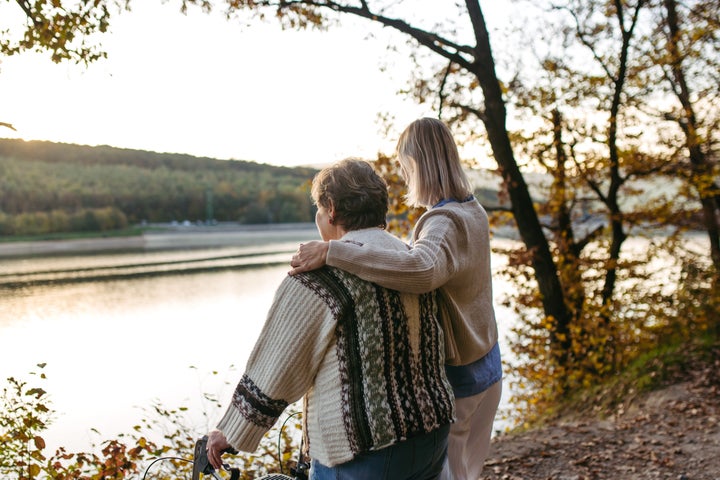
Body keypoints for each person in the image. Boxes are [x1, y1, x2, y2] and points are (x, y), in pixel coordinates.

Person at [206, 158, 456, 480]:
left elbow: (278, 367)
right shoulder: (410, 260)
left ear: (332, 210)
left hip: (367, 451)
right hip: (431, 434)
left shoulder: (318, 278)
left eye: (319, 209)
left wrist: (231, 431)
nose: (319, 217)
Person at [289, 118, 502, 480]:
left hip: (461, 376)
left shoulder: (443, 221)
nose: (404, 176)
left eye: (405, 166)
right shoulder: (474, 210)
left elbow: (420, 270)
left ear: (418, 164)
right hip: (489, 365)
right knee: (469, 471)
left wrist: (332, 252)